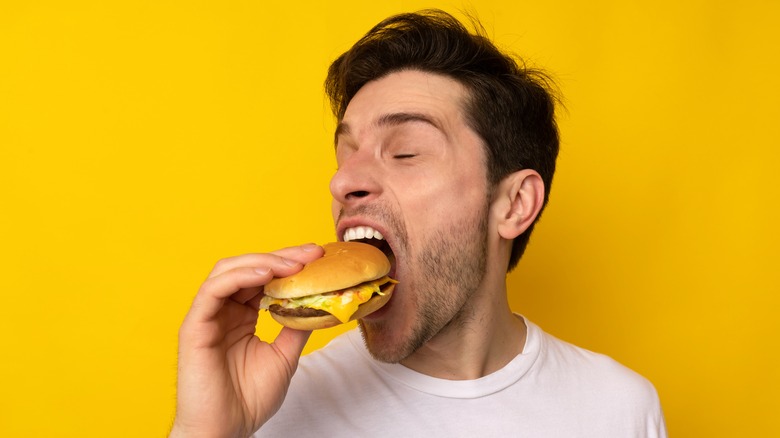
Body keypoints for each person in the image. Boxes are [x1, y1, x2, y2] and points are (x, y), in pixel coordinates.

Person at [170, 9, 666, 438]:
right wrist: (206, 432)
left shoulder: (617, 409)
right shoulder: (273, 406)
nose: (344, 182)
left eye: (405, 151)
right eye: (345, 155)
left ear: (514, 204)